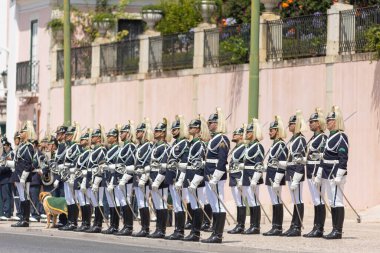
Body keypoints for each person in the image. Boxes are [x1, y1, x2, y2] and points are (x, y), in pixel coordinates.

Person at [316, 106, 349, 240]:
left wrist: (339, 174)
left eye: (329, 120)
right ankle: (334, 229)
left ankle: (338, 231)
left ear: (335, 122)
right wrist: (319, 174)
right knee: (332, 201)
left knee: (337, 201)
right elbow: (324, 157)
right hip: (327, 173)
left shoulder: (341, 137)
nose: (327, 122)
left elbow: (343, 157)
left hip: (336, 173)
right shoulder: (330, 137)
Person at [201, 108, 230, 243]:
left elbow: (222, 160)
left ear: (218, 124)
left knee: (218, 204)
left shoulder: (222, 139)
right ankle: (214, 232)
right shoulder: (214, 139)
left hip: (215, 177)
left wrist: (216, 177)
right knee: (213, 204)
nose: (209, 124)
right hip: (209, 175)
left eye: (212, 122)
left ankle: (218, 235)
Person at [280, 111, 307, 237]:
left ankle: (297, 227)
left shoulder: (301, 140)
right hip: (290, 171)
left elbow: (300, 160)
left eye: (291, 124)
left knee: (299, 199)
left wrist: (297, 177)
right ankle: (293, 225)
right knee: (295, 200)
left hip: (296, 172)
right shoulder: (292, 140)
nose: (289, 126)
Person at [303, 108, 328, 238]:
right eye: (310, 121)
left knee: (319, 200)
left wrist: (319, 173)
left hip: (317, 171)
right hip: (310, 171)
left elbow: (324, 156)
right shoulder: (313, 138)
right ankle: (315, 227)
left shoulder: (323, 138)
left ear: (319, 123)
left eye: (313, 122)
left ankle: (319, 228)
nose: (310, 124)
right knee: (315, 200)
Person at [165, 115, 189, 241]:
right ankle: (177, 229)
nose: (172, 132)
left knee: (179, 204)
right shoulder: (176, 143)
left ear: (180, 130)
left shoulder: (184, 143)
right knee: (175, 204)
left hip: (178, 177)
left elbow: (185, 163)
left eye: (174, 130)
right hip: (172, 177)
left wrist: (180, 179)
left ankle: (180, 231)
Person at [263, 116, 287, 236]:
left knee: (277, 201)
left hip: (276, 177)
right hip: (271, 175)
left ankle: (278, 227)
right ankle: (274, 226)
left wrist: (277, 179)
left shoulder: (281, 144)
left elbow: (282, 163)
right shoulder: (275, 144)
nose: (269, 132)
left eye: (271, 130)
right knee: (274, 201)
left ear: (277, 131)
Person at [148, 118, 171, 239]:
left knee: (162, 204)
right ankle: (158, 228)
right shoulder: (156, 146)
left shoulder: (165, 147)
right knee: (157, 204)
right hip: (153, 177)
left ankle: (162, 230)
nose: (155, 133)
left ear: (162, 133)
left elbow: (163, 166)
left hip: (160, 179)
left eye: (157, 131)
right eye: (155, 130)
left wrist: (157, 181)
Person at [9, 121, 35, 227]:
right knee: (21, 197)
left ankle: (25, 220)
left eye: (23, 132)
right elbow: (18, 161)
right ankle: (22, 219)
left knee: (25, 197)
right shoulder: (22, 145)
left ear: (27, 133)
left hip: (23, 176)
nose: (21, 134)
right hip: (18, 174)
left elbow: (29, 163)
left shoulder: (29, 146)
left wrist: (24, 177)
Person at [113, 122, 137, 236]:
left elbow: (131, 164)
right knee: (122, 202)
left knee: (126, 201)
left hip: (126, 179)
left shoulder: (131, 146)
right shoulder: (124, 147)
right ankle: (125, 226)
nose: (120, 135)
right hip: (120, 178)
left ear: (128, 134)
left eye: (122, 132)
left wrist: (124, 179)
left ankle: (129, 227)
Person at [243, 118, 265, 234]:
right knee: (251, 201)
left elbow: (259, 164)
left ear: (253, 133)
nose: (246, 134)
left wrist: (255, 179)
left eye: (248, 132)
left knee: (254, 201)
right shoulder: (249, 146)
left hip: (253, 177)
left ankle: (256, 226)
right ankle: (252, 224)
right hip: (247, 176)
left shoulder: (257, 146)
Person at [133, 119, 153, 237]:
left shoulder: (148, 146)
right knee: (140, 203)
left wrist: (144, 178)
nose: (137, 133)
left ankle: (146, 228)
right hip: (137, 176)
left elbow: (148, 163)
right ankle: (143, 227)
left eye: (140, 131)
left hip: (144, 178)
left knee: (144, 202)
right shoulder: (139, 146)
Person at [59, 124, 82, 231]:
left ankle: (74, 222)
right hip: (66, 176)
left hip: (72, 175)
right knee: (68, 199)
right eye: (66, 134)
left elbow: (76, 162)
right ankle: (70, 221)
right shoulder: (67, 147)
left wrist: (69, 171)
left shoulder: (76, 147)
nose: (67, 136)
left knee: (73, 199)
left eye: (69, 134)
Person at [85, 126, 107, 233]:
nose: (91, 138)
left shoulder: (101, 150)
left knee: (99, 202)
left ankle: (98, 224)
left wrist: (97, 181)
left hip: (98, 180)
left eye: (93, 136)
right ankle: (95, 223)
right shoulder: (94, 150)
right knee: (94, 202)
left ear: (98, 138)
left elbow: (101, 167)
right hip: (92, 178)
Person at [227, 127, 246, 234]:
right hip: (233, 175)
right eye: (234, 133)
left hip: (239, 175)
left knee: (240, 201)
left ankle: (241, 225)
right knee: (237, 201)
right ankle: (239, 224)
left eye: (236, 134)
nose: (234, 135)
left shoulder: (244, 147)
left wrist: (241, 179)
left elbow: (243, 164)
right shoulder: (236, 148)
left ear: (241, 136)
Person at [103, 128, 121, 234]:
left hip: (113, 179)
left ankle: (115, 225)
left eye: (110, 136)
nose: (108, 138)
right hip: (108, 178)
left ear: (114, 137)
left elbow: (116, 167)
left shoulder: (118, 149)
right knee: (111, 203)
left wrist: (112, 181)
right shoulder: (110, 149)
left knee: (115, 202)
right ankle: (112, 225)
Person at [73, 130, 92, 232]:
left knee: (86, 201)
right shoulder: (81, 152)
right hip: (78, 178)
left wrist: (84, 178)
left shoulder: (89, 153)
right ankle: (83, 222)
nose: (81, 141)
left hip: (84, 178)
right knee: (81, 201)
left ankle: (87, 223)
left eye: (83, 139)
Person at [0, 137, 15, 221]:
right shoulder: (4, 155)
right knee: (3, 197)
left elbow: (8, 167)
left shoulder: (11, 154)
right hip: (2, 178)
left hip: (7, 178)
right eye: (3, 145)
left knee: (7, 196)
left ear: (9, 145)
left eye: (6, 145)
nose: (4, 147)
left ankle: (7, 213)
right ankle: (4, 212)